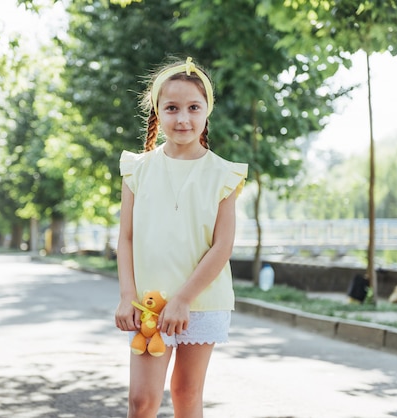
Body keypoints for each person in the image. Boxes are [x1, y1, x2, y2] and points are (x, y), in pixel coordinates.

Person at [115, 57, 248, 418]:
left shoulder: (224, 174)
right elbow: (125, 238)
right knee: (141, 402)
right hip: (147, 304)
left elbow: (222, 246)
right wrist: (128, 296)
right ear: (158, 111)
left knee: (186, 394)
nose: (183, 118)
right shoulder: (136, 169)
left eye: (193, 107)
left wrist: (184, 299)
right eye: (171, 108)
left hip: (201, 302)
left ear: (208, 112)